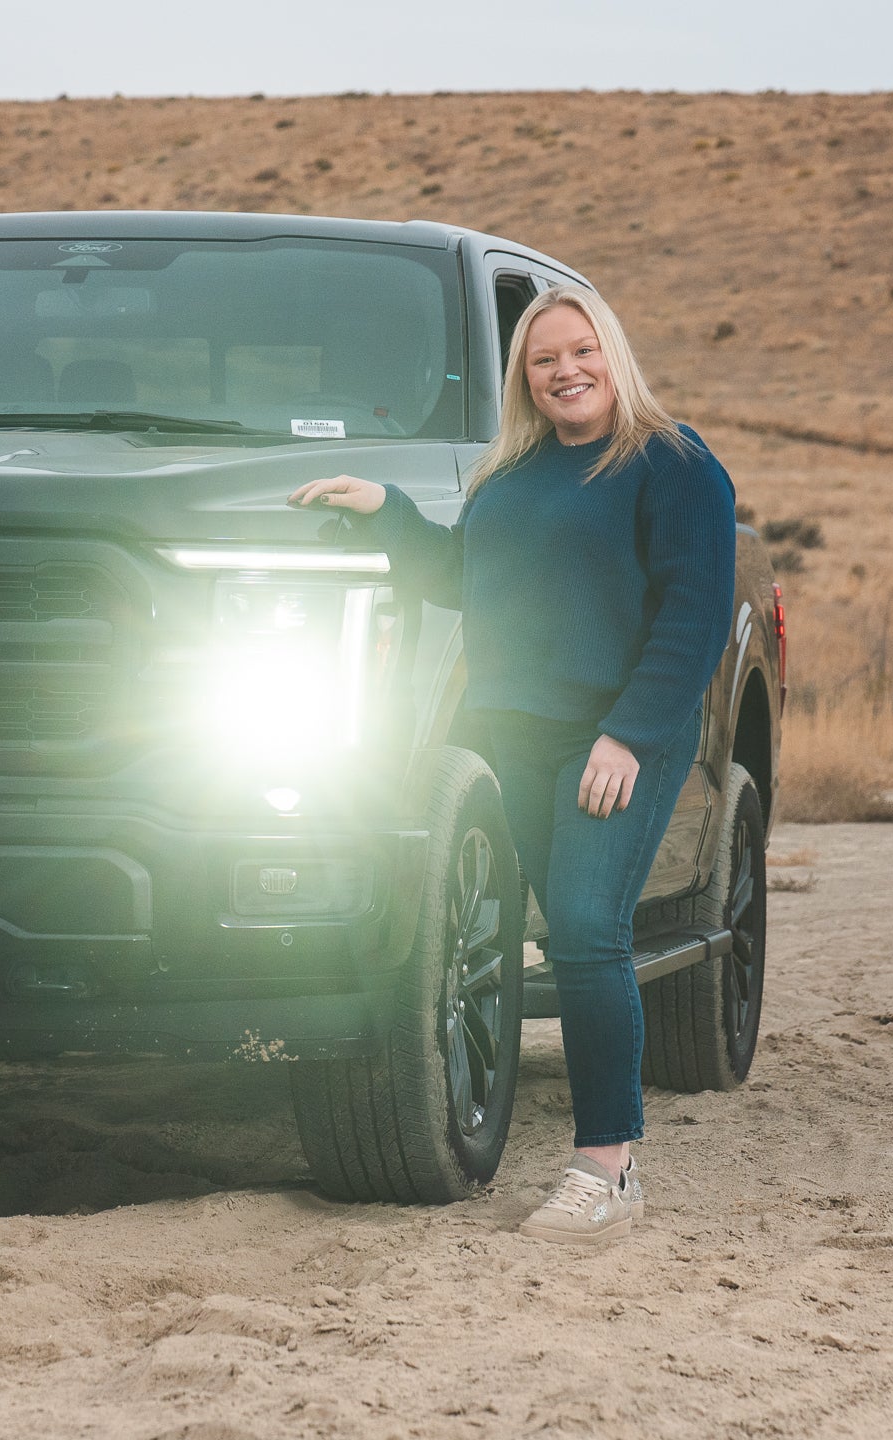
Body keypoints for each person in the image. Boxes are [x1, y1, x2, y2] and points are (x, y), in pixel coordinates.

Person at [289, 284, 736, 1245]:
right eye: (544, 361)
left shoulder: (672, 465)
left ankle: (607, 1168)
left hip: (613, 738)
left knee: (584, 927)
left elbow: (695, 616)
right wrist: (385, 508)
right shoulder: (512, 477)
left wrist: (628, 733)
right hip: (516, 736)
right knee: (566, 934)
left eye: (582, 353)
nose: (565, 371)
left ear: (613, 355)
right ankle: (604, 1162)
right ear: (524, 379)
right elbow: (464, 581)